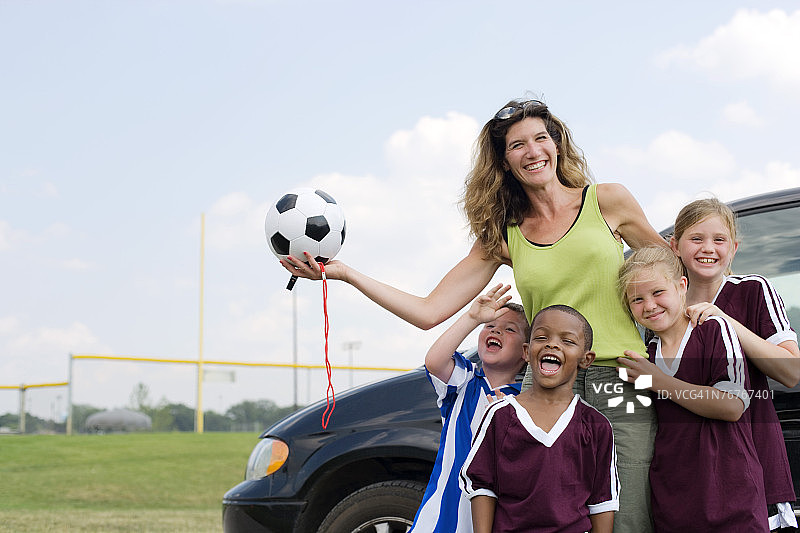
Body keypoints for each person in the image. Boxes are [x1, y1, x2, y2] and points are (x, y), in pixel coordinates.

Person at [281, 98, 666, 532]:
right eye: (517, 145)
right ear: (504, 162)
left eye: (541, 138)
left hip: (624, 380)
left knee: (628, 519)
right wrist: (347, 274)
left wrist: (712, 310)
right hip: (545, 387)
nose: (533, 151)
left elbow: (673, 274)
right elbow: (428, 311)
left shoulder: (608, 201)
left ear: (557, 145)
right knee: (542, 518)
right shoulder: (506, 234)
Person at [617, 245, 769, 532]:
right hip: (673, 504)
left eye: (658, 292)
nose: (649, 305)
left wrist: (659, 381)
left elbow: (731, 405)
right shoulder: (646, 355)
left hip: (730, 500)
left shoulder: (713, 329)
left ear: (681, 286)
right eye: (637, 299)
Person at [670, 197, 800, 530]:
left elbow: (791, 371)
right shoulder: (662, 306)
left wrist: (723, 319)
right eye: (696, 238)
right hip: (684, 472)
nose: (708, 248)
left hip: (750, 465)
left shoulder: (753, 290)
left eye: (719, 239)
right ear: (675, 245)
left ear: (734, 248)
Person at [460, 305, 618, 533]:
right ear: (526, 351)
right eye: (542, 337)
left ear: (586, 359)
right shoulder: (500, 415)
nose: (552, 345)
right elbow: (482, 485)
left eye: (567, 341)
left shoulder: (597, 425)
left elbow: (602, 500)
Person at [409, 284, 529, 533]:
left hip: (492, 519)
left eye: (510, 329)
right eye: (489, 325)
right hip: (442, 518)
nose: (496, 330)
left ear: (526, 351)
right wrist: (472, 318)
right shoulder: (465, 381)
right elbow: (434, 361)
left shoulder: (526, 401)